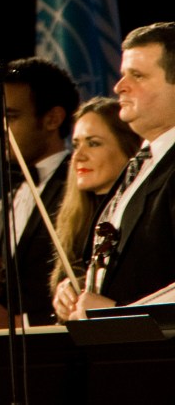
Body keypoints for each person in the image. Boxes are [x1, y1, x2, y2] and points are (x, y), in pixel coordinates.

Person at [54, 21, 175, 320]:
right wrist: (81, 286)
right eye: (123, 74)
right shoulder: (142, 163)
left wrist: (119, 314)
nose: (119, 86)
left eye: (138, 75)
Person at [0, 56, 79, 330]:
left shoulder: (80, 188)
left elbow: (84, 282)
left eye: (11, 116)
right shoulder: (3, 204)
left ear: (52, 119)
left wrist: (19, 323)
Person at [48, 97, 141, 321]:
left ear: (129, 148)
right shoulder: (74, 221)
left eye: (94, 143)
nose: (78, 156)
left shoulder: (141, 216)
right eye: (76, 145)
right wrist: (65, 294)